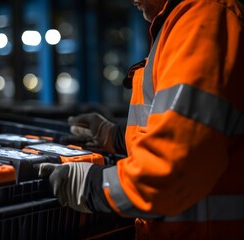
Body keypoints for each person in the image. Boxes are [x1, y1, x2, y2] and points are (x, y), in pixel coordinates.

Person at [38, 0, 244, 239]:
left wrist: (91, 186)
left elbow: (172, 167)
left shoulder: (202, 19)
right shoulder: (180, 22)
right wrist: (115, 136)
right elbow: (194, 131)